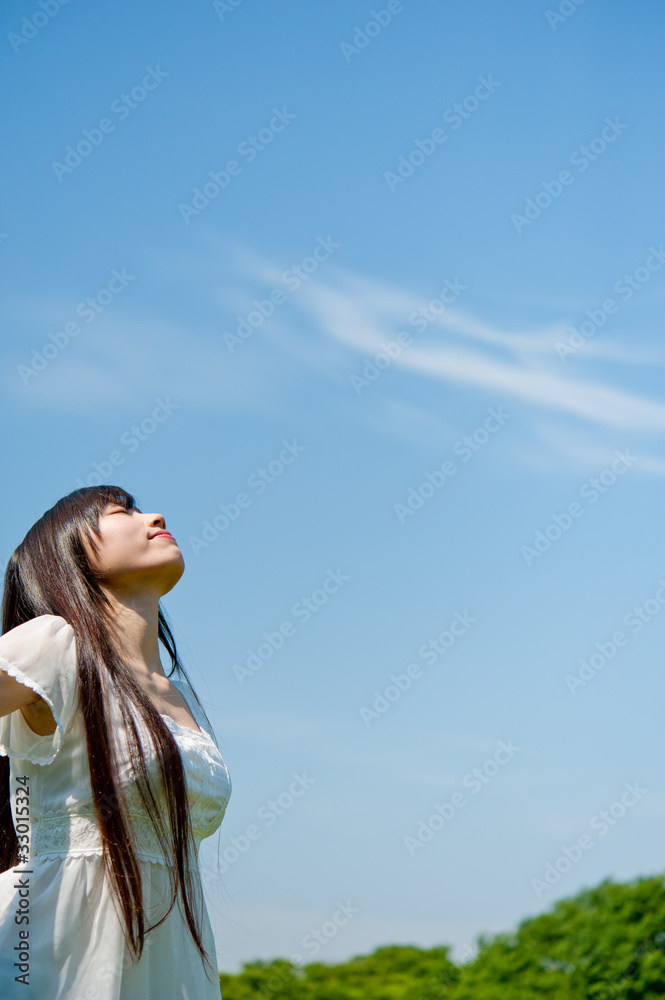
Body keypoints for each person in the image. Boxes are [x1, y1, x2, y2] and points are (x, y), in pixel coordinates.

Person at [0, 485, 232, 998]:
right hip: (61, 952)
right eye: (121, 511)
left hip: (173, 957)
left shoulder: (181, 693)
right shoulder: (54, 644)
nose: (155, 515)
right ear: (69, 552)